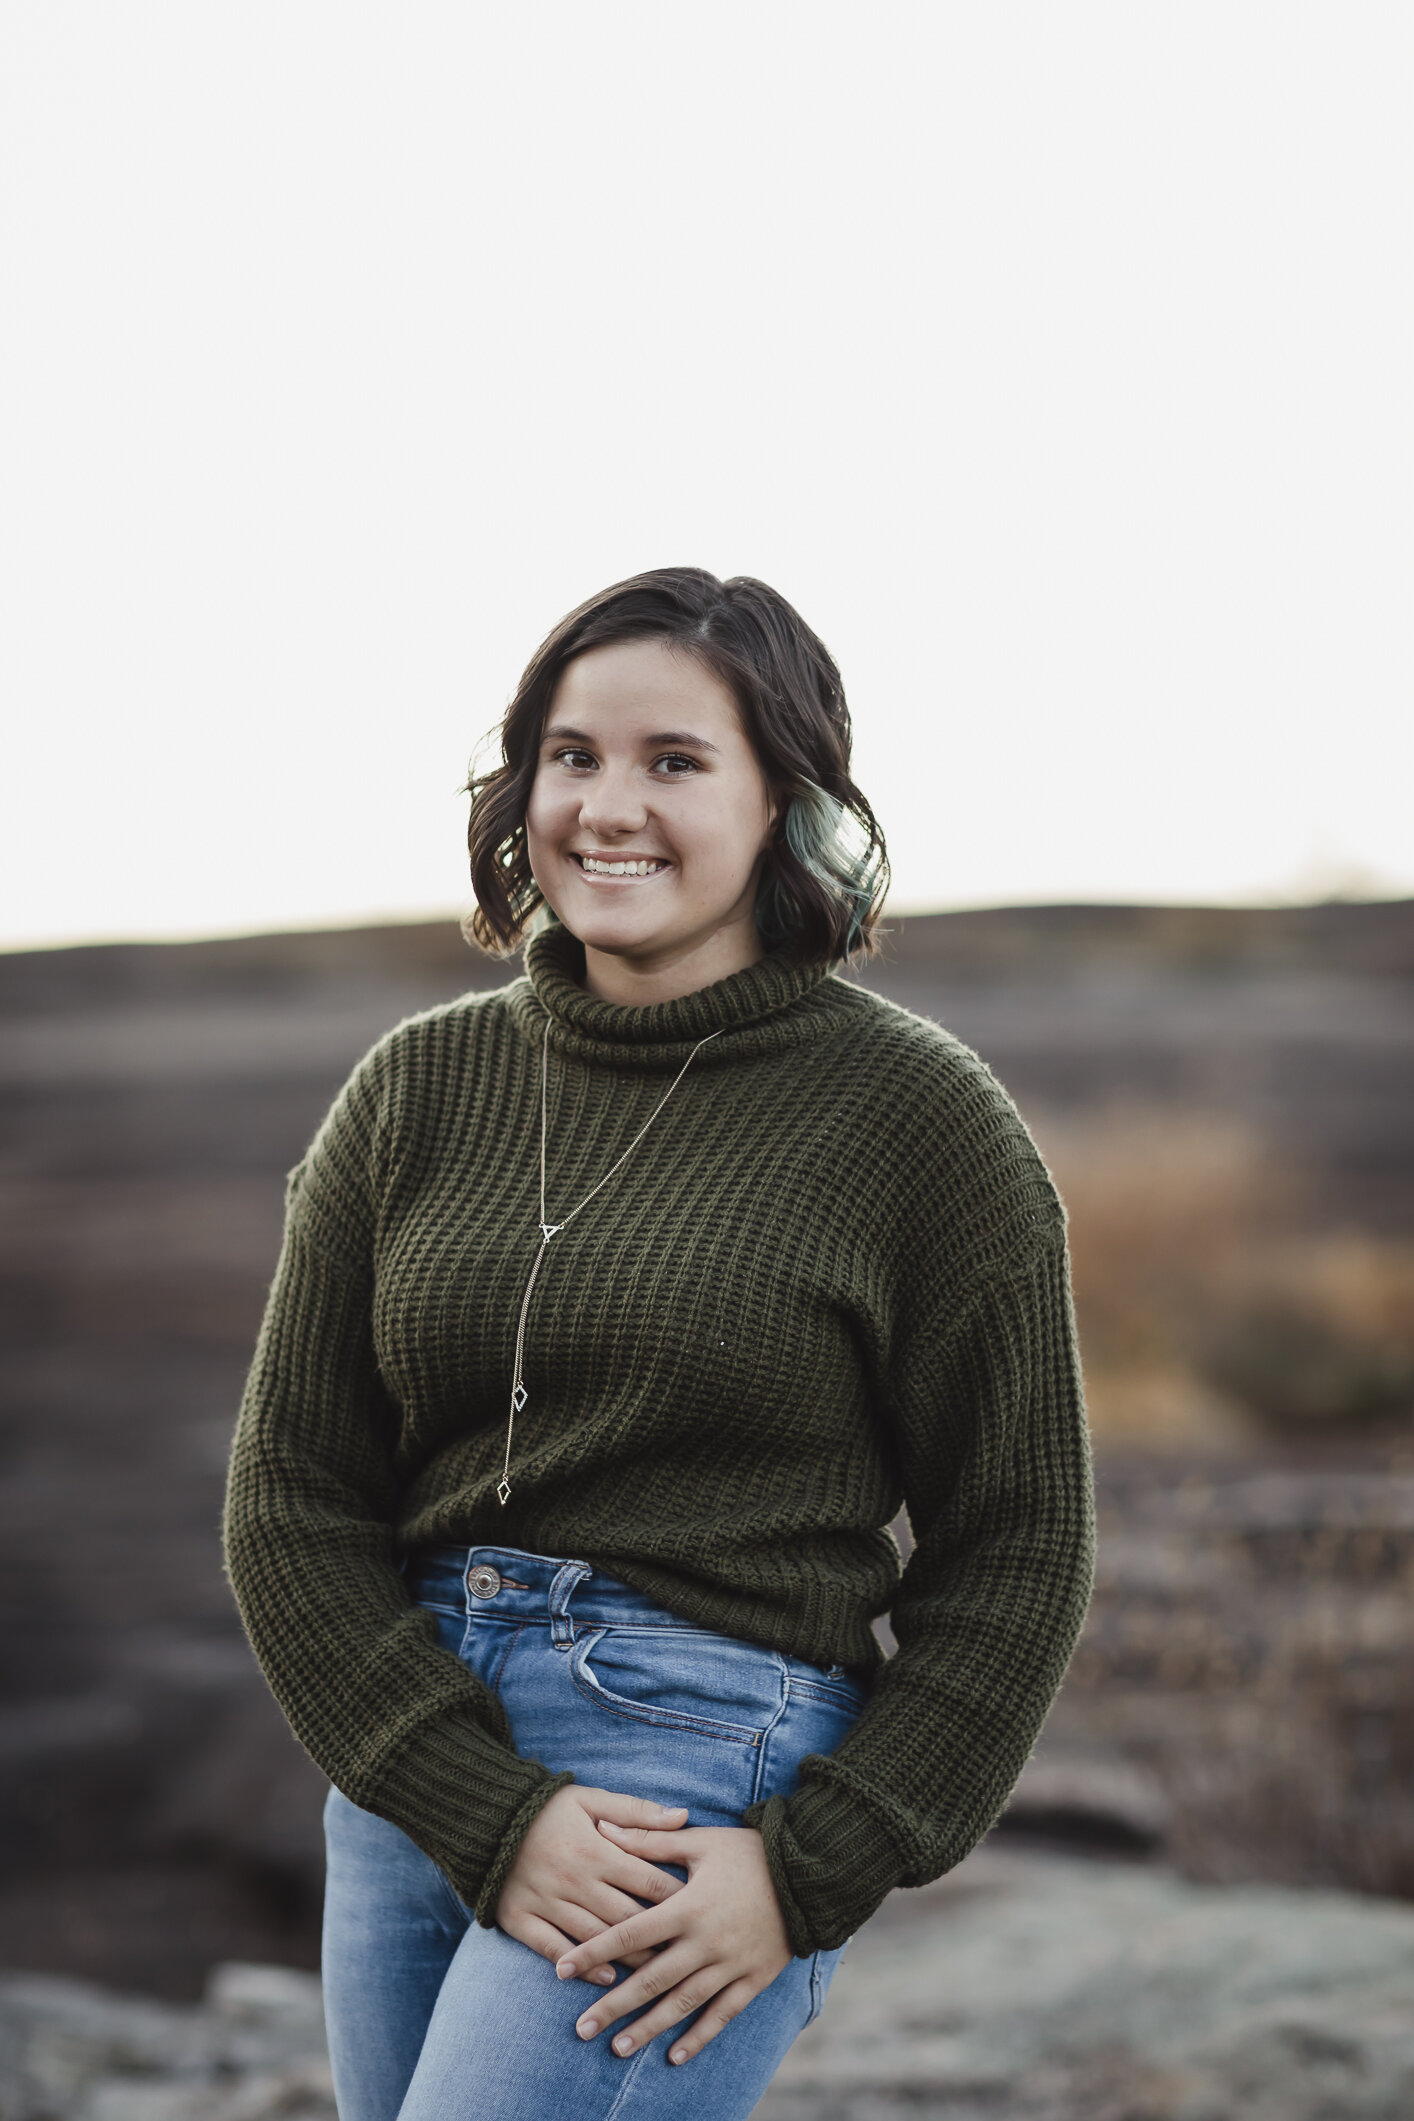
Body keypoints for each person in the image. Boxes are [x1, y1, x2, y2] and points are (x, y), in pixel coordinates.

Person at [223, 567, 1094, 2121]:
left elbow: (1016, 1547)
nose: (605, 805)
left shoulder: (919, 1119)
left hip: (690, 1784)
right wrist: (466, 1800)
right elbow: (292, 1492)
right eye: (572, 755)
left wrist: (816, 1866)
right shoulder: (414, 1088)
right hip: (411, 1777)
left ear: (786, 802)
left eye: (674, 762)